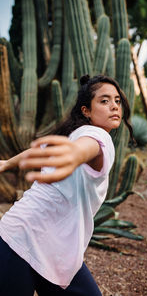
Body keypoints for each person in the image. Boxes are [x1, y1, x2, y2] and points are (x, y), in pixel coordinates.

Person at [0, 74, 134, 296]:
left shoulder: (74, 135)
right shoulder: (96, 136)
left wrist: (6, 164)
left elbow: (40, 152)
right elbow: (86, 147)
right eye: (104, 100)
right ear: (86, 111)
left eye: (117, 100)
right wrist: (74, 154)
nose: (113, 106)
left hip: (55, 246)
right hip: (21, 237)